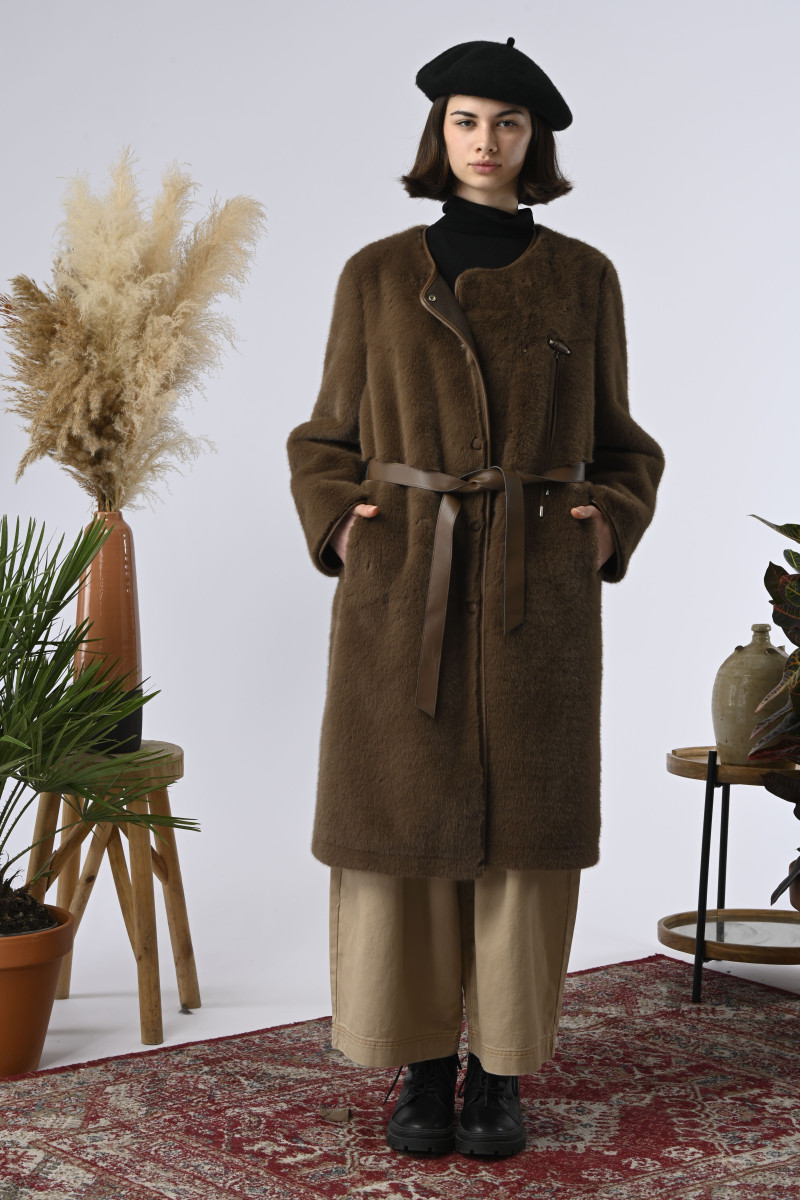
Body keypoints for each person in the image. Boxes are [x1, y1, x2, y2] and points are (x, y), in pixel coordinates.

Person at [286, 37, 664, 1159]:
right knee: (398, 825)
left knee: (523, 841)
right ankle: (416, 1069)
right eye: (465, 120)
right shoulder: (374, 274)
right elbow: (323, 437)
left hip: (534, 594)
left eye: (506, 122)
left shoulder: (583, 277)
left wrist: (607, 519)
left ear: (531, 139)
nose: (485, 141)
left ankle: (499, 1073)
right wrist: (342, 519)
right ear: (437, 133)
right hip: (402, 581)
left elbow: (623, 444)